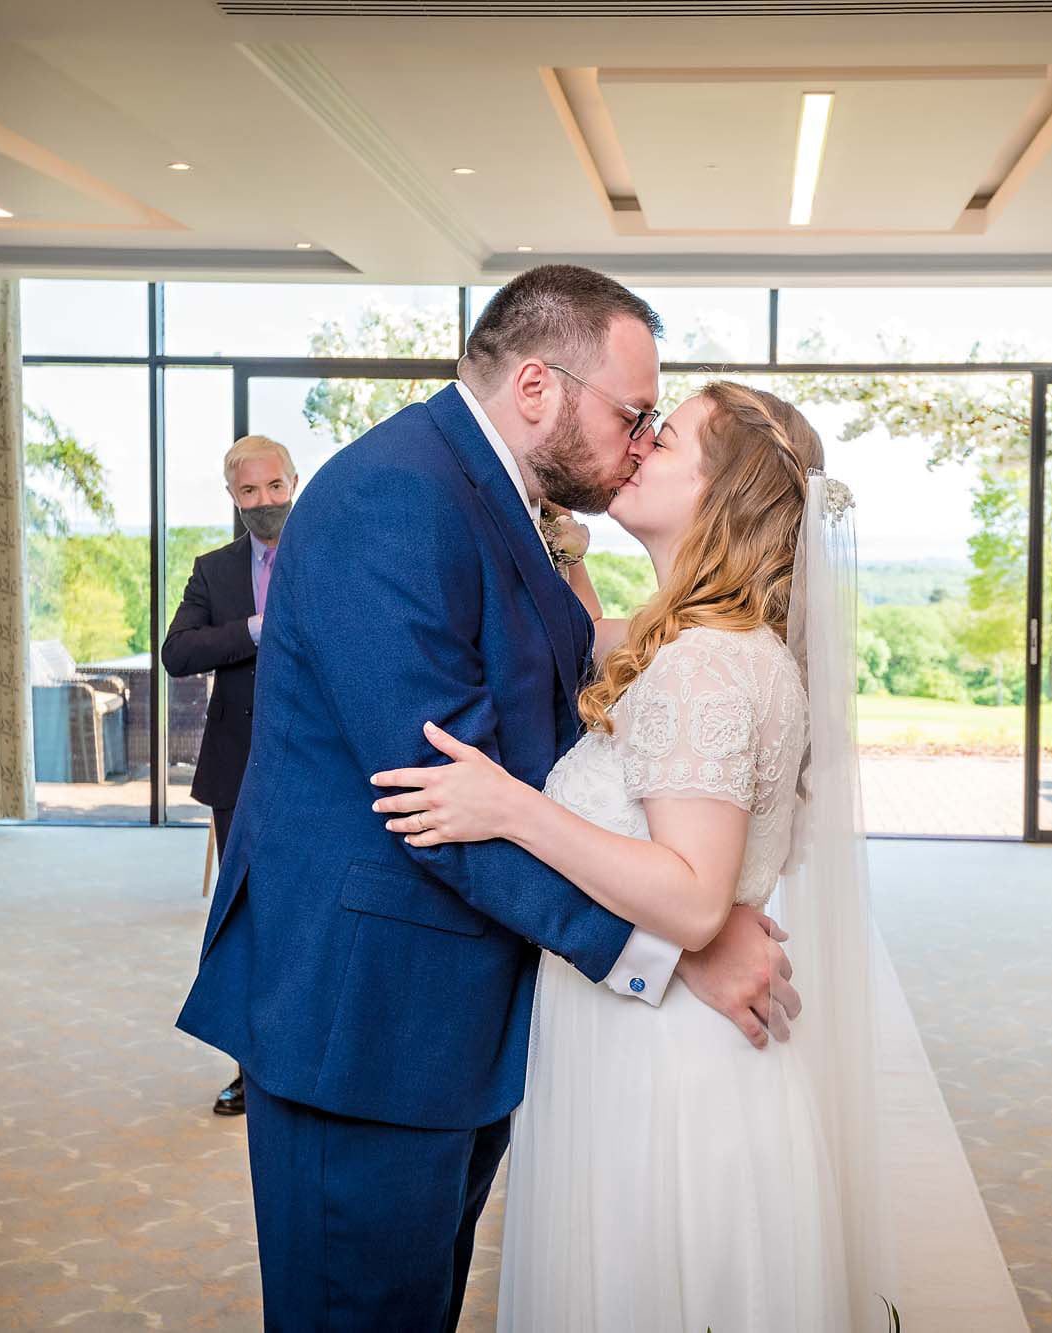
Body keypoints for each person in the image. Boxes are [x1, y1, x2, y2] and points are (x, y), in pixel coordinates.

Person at [175, 265, 799, 1330]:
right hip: (363, 1016)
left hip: (452, 1012)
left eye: (656, 424)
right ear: (535, 388)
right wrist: (675, 939)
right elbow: (435, 795)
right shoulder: (395, 493)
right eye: (629, 412)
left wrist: (683, 893)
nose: (637, 438)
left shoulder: (490, 497)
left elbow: (538, 760)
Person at [371, 381, 1027, 1330]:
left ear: (724, 496)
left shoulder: (708, 665)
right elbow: (580, 653)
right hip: (656, 1036)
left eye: (665, 437)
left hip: (665, 1064)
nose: (637, 447)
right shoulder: (701, 642)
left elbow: (688, 902)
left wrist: (509, 807)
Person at [162, 434, 298, 1116]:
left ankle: (303, 1053)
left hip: (316, 766)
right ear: (232, 497)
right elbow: (176, 652)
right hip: (237, 771)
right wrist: (253, 627)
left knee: (304, 913)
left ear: (293, 483)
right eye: (250, 491)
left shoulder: (326, 552)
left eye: (275, 486)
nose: (265, 501)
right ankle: (251, 1068)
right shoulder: (214, 571)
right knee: (244, 915)